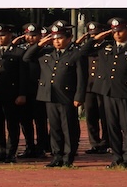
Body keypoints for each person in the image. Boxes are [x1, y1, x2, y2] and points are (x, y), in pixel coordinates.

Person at [23, 20, 89, 168]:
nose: (57, 41)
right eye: (54, 38)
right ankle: (57, 155)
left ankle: (68, 157)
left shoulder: (76, 54)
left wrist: (79, 96)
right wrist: (40, 44)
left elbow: (82, 78)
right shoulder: (47, 52)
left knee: (68, 128)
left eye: (60, 38)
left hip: (67, 96)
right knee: (54, 128)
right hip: (49, 95)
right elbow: (27, 58)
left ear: (69, 38)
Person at [88, 18, 127, 169]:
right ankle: (116, 157)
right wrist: (96, 38)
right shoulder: (106, 47)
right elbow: (83, 52)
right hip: (108, 92)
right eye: (114, 32)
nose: (117, 34)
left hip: (126, 92)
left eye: (120, 31)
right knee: (112, 127)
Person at [0, 24, 27, 163]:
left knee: (12, 125)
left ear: (10, 36)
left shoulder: (18, 52)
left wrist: (22, 94)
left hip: (11, 94)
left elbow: (23, 75)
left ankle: (11, 153)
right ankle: (0, 152)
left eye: (2, 35)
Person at [15, 23, 48, 159]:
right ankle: (29, 147)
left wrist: (40, 44)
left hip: (39, 90)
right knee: (25, 121)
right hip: (24, 90)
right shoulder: (21, 49)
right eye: (28, 35)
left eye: (34, 36)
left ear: (40, 36)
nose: (30, 38)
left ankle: (41, 147)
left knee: (40, 122)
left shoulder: (46, 49)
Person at [80, 21, 109, 155]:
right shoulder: (87, 47)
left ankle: (106, 143)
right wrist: (90, 41)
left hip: (103, 86)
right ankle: (94, 143)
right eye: (91, 35)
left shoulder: (108, 46)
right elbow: (81, 53)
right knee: (91, 116)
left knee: (105, 116)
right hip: (89, 86)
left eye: (96, 34)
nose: (94, 37)